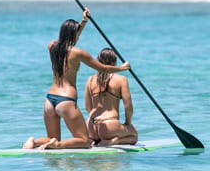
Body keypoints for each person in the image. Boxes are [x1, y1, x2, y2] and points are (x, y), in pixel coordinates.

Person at [23, 8, 130, 150]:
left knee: (51, 137)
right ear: (74, 36)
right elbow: (102, 68)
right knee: (85, 141)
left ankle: (34, 142)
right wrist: (121, 68)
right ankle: (57, 145)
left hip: (49, 99)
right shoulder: (78, 53)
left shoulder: (52, 47)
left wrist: (83, 22)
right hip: (65, 100)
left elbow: (70, 40)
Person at [85, 48, 138, 146]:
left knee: (96, 135)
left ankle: (95, 140)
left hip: (91, 126)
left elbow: (88, 107)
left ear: (98, 61)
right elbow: (128, 106)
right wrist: (127, 123)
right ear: (114, 62)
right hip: (109, 125)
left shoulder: (90, 80)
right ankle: (113, 141)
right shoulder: (121, 79)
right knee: (134, 135)